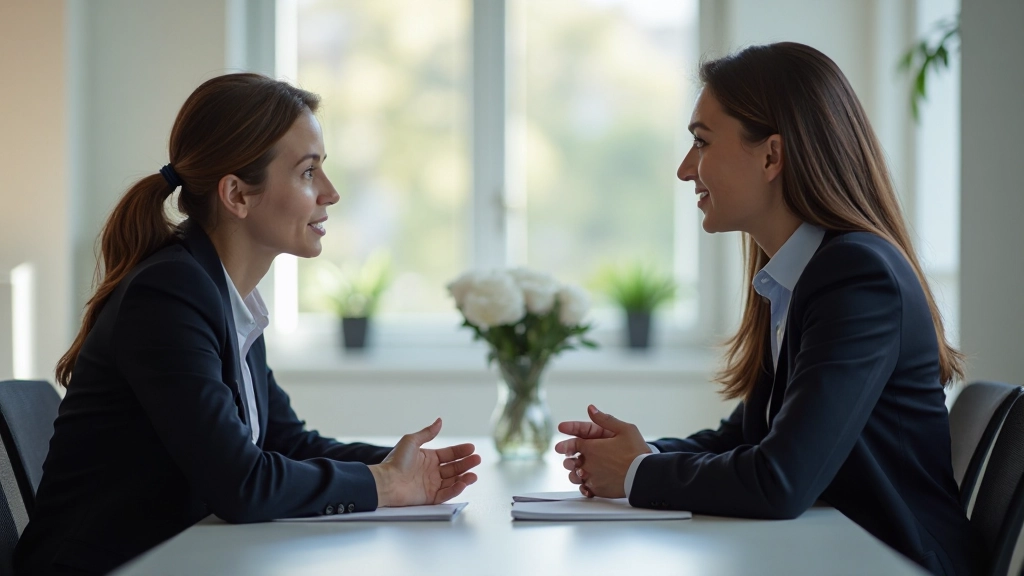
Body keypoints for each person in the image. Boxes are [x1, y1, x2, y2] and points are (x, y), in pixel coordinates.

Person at [14, 73, 480, 575]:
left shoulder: (224, 295)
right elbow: (241, 484)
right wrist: (384, 484)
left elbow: (286, 443)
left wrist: (403, 464)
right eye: (308, 172)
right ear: (237, 195)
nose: (330, 193)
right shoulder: (169, 293)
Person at [555, 43, 976, 576]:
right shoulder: (801, 275)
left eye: (701, 143)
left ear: (772, 156)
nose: (686, 170)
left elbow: (780, 481)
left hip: (895, 561)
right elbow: (748, 439)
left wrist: (637, 473)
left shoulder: (856, 277)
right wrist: (641, 453)